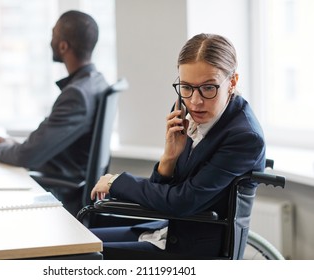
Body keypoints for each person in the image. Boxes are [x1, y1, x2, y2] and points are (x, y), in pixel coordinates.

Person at [90, 33, 266, 259]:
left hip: (193, 251)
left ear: (232, 82)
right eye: (186, 87)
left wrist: (116, 182)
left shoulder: (243, 137)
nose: (195, 101)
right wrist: (169, 157)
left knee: (79, 256)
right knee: (79, 241)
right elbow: (160, 192)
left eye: (209, 88)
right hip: (168, 230)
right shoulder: (190, 115)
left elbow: (182, 200)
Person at [0, 10, 108, 183]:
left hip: (62, 189)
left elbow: (27, 157)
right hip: (68, 176)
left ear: (63, 46)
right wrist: (13, 145)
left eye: (53, 35)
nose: (51, 41)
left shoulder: (77, 94)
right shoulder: (97, 82)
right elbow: (44, 142)